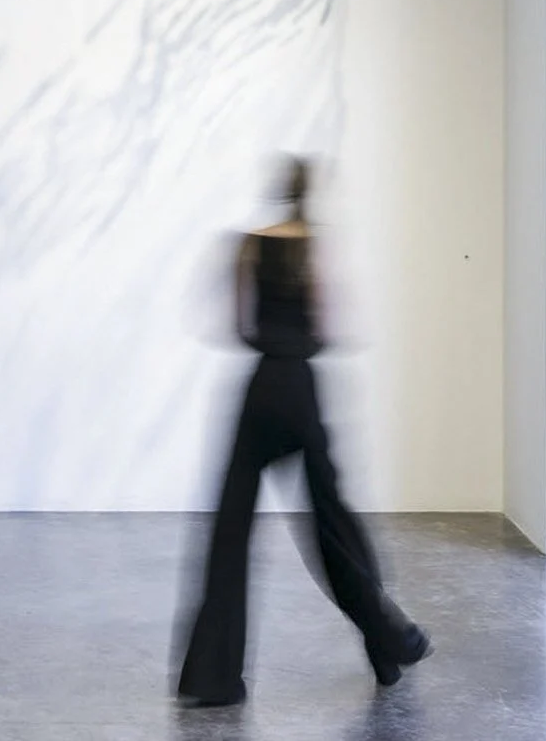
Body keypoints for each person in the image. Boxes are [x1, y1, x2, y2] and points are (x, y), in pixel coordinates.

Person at [176, 156, 430, 707]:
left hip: (259, 389)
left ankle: (212, 679)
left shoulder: (246, 243)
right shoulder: (314, 244)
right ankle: (392, 646)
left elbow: (235, 325)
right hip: (301, 392)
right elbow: (332, 325)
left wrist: (267, 336)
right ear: (309, 192)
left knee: (229, 537)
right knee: (335, 530)